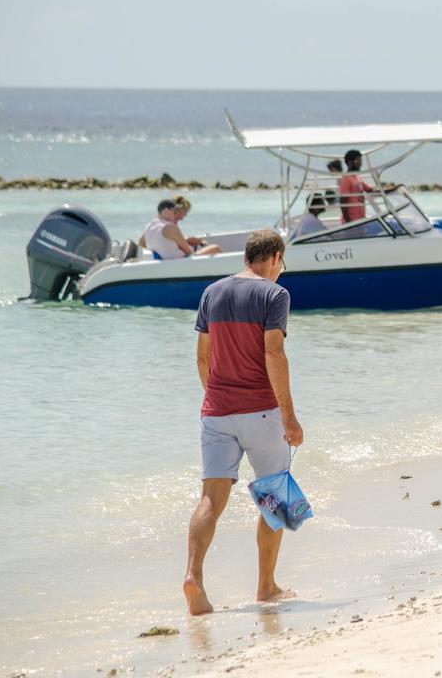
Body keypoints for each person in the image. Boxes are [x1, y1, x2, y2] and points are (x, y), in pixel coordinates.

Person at [184, 229, 304, 615]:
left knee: (210, 499)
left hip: (216, 412)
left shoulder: (211, 293)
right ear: (273, 257)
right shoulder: (274, 295)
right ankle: (266, 587)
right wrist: (289, 414)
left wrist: (216, 398)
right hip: (261, 411)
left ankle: (193, 578)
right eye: (281, 264)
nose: (280, 271)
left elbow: (202, 358)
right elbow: (274, 353)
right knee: (275, 496)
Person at [139, 198, 222, 259]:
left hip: (164, 260)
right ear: (166, 211)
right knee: (215, 248)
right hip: (182, 261)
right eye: (174, 211)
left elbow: (142, 244)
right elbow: (189, 252)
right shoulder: (170, 227)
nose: (176, 214)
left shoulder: (149, 226)